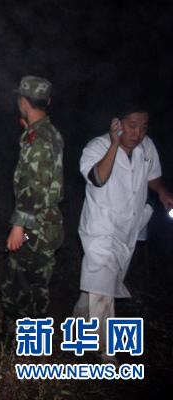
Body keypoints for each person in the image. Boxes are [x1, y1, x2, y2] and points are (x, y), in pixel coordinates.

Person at [73, 106, 173, 362]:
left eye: (144, 127)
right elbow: (97, 178)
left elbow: (152, 177)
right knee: (103, 283)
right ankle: (106, 351)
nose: (138, 133)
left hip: (128, 229)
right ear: (117, 123)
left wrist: (161, 191)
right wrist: (114, 145)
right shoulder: (96, 146)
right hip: (101, 228)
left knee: (101, 283)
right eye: (132, 126)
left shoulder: (147, 147)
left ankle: (78, 323)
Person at [0, 76, 65, 344]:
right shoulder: (48, 132)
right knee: (20, 278)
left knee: (26, 284)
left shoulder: (38, 138)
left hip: (36, 226)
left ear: (23, 102)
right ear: (48, 101)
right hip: (42, 223)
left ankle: (27, 343)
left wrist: (19, 226)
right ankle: (14, 339)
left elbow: (35, 187)